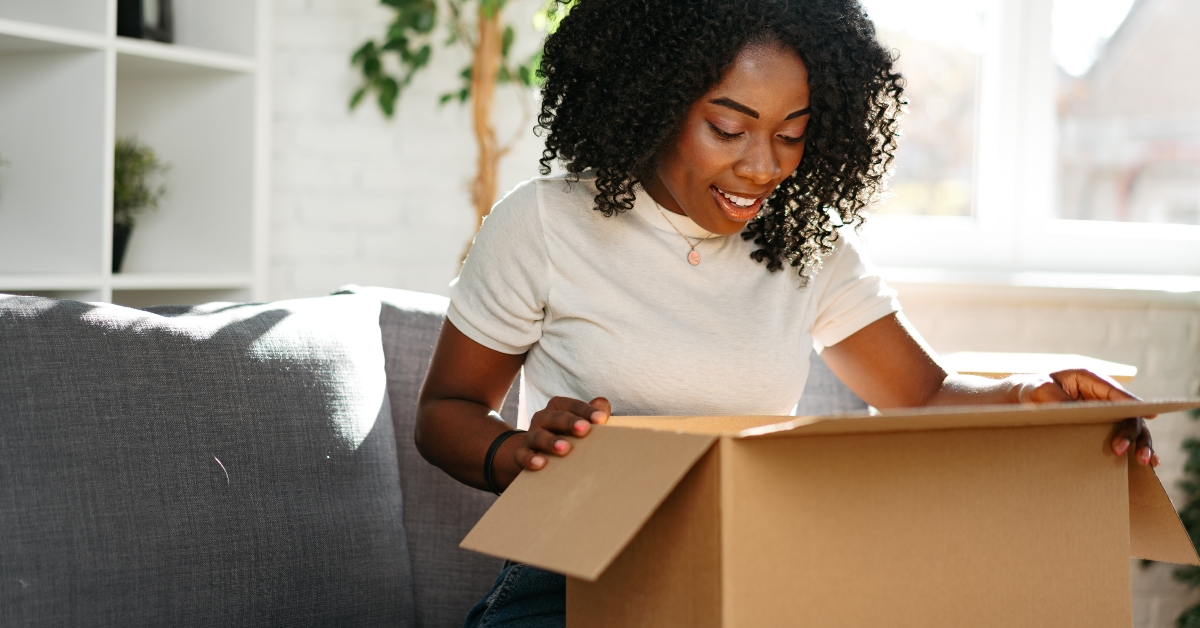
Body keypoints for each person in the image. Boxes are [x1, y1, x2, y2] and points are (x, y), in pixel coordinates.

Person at [414, 1, 1158, 626]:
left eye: (791, 133)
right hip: (573, 580)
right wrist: (514, 455)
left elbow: (924, 396)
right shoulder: (545, 224)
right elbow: (447, 410)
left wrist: (1035, 397)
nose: (764, 166)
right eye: (729, 129)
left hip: (742, 582)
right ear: (651, 101)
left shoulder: (807, 246)